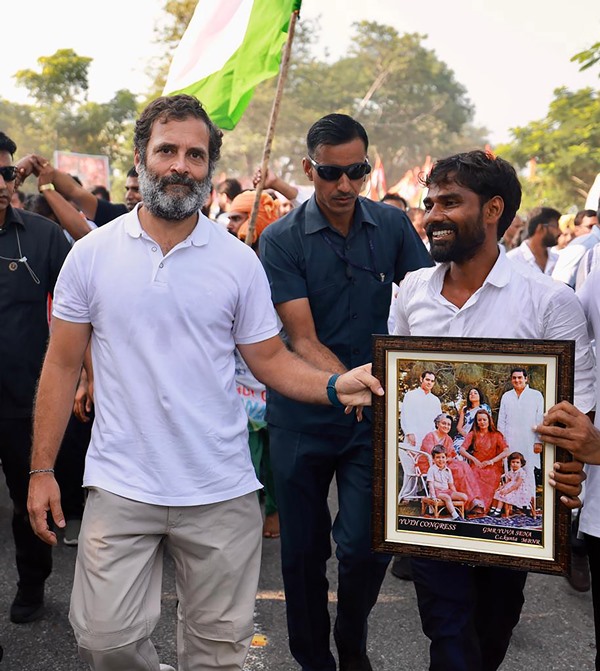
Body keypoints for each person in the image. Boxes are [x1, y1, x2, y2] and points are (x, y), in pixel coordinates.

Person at [25, 95, 383, 671]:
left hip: (220, 488)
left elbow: (268, 358)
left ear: (209, 168)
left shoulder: (238, 262)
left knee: (218, 656)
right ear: (140, 157)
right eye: (167, 150)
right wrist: (42, 469)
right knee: (103, 642)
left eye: (196, 155)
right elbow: (62, 364)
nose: (180, 165)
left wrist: (335, 384)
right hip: (121, 483)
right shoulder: (89, 256)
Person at [391, 149, 594, 671]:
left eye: (450, 201)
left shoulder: (550, 302)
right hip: (435, 505)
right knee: (449, 632)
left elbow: (580, 411)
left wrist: (569, 472)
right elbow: (395, 387)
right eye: (430, 201)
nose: (433, 214)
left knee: (493, 629)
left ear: (492, 209)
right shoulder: (412, 292)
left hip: (516, 516)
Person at [259, 113, 432, 671]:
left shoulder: (394, 226)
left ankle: (351, 639)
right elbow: (301, 338)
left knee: (364, 545)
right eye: (331, 173)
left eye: (356, 171)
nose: (345, 186)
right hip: (303, 414)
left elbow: (425, 311)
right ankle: (314, 659)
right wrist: (345, 386)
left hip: (376, 417)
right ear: (309, 169)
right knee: (303, 554)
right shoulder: (279, 238)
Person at [0, 131, 72, 624]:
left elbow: (83, 306)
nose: (3, 183)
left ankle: (32, 585)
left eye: (6, 173)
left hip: (22, 403)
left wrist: (87, 374)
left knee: (28, 500)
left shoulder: (41, 238)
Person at [419, 414, 484, 512]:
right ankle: (465, 502)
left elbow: (452, 454)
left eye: (449, 425)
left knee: (464, 465)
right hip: (429, 465)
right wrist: (447, 459)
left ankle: (473, 500)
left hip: (444, 463)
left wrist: (451, 459)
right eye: (443, 423)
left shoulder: (448, 438)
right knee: (457, 470)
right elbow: (431, 455)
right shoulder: (430, 436)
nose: (446, 426)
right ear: (437, 424)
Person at [497, 367, 544, 485]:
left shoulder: (536, 395)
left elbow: (540, 420)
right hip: (510, 440)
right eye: (514, 378)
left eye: (520, 377)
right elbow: (501, 420)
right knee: (510, 472)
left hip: (529, 440)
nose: (517, 380)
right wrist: (501, 443)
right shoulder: (506, 396)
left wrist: (538, 441)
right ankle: (510, 503)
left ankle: (529, 502)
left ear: (526, 379)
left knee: (528, 473)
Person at [460, 409, 510, 512]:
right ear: (476, 422)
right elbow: (461, 449)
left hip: (493, 466)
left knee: (489, 476)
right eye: (479, 420)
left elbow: (506, 451)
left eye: (484, 419)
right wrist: (473, 459)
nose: (482, 422)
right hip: (477, 464)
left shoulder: (496, 435)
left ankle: (482, 506)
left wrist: (492, 461)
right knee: (472, 475)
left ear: (489, 420)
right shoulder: (473, 434)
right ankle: (474, 503)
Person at [506, 206, 560, 275]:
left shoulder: (558, 260)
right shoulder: (512, 260)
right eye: (555, 226)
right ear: (540, 228)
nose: (559, 232)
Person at [400, 371, 442, 450]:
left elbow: (438, 421)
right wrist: (409, 433)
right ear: (421, 379)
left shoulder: (435, 400)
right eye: (427, 380)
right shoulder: (410, 395)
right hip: (413, 437)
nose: (429, 383)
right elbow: (405, 416)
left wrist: (436, 438)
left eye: (432, 381)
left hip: (429, 440)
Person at [426, 446, 468, 521]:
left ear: (446, 458)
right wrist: (433, 497)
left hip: (447, 491)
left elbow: (451, 485)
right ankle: (455, 516)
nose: (441, 460)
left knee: (464, 496)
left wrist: (456, 494)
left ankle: (460, 511)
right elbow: (431, 484)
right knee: (447, 498)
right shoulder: (432, 469)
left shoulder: (448, 470)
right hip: (437, 492)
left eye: (443, 457)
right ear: (433, 459)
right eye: (438, 457)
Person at [489, 452, 531, 517]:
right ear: (510, 463)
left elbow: (517, 484)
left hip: (518, 490)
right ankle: (493, 508)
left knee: (503, 494)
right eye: (513, 462)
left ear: (521, 464)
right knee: (497, 492)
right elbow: (507, 482)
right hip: (511, 487)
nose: (515, 464)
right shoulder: (511, 472)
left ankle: (498, 510)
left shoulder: (521, 472)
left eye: (517, 462)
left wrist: (507, 490)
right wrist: (501, 487)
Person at [453, 387, 491, 453]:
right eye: (470, 394)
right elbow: (459, 427)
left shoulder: (485, 408)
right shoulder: (465, 409)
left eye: (475, 393)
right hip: (464, 436)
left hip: (480, 437)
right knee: (458, 451)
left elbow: (489, 424)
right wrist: (467, 436)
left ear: (480, 396)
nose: (472, 394)